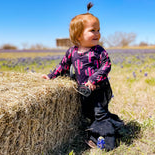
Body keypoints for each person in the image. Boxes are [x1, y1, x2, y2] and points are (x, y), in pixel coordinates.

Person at [42, 3, 124, 151]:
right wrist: (51, 76)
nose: (97, 34)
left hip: (99, 90)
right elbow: (63, 66)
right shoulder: (72, 51)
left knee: (100, 114)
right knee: (89, 113)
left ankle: (107, 142)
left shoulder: (99, 51)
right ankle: (115, 124)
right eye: (93, 30)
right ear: (78, 35)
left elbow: (106, 66)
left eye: (99, 30)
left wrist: (93, 79)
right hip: (84, 91)